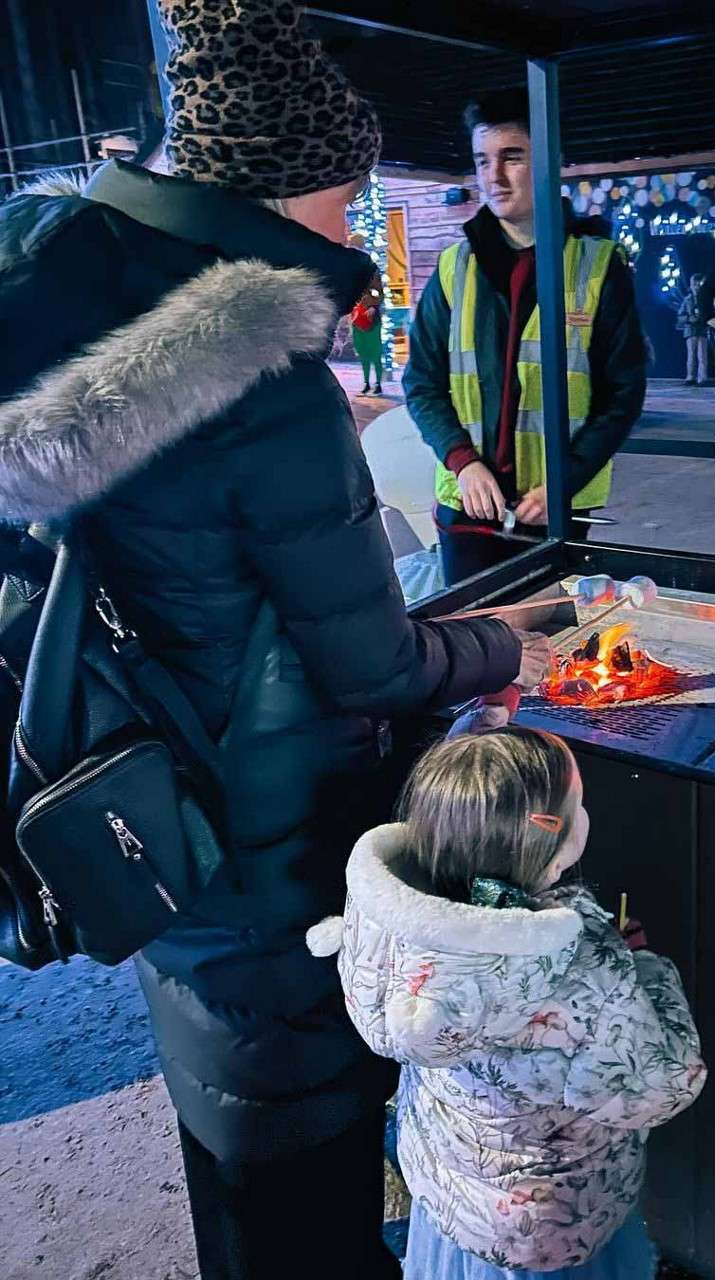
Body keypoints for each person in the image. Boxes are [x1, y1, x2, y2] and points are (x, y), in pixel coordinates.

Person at [0, 3, 551, 1277]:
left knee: (221, 1096)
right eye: (346, 199)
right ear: (280, 188)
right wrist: (502, 645)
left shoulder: (65, 315)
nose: (349, 228)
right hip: (272, 841)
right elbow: (374, 666)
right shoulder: (260, 377)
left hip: (135, 804)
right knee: (301, 1134)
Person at [310, 727, 707, 1280]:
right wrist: (645, 969)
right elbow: (663, 1087)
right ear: (555, 844)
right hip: (552, 1223)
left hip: (450, 1192)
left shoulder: (396, 929)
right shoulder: (582, 969)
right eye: (576, 805)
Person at [403, 89, 647, 587]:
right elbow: (421, 383)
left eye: (511, 157)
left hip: (552, 508)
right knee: (469, 630)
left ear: (548, 164)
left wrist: (564, 480)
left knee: (548, 630)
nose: (493, 176)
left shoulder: (598, 265)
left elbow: (623, 393)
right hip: (468, 505)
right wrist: (462, 463)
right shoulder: (454, 268)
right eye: (482, 160)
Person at [353, 272, 386, 395]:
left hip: (372, 322)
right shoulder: (353, 277)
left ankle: (378, 384)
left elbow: (380, 295)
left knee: (375, 353)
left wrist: (374, 307)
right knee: (363, 354)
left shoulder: (373, 275)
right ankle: (366, 383)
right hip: (357, 321)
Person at [676, 272, 709, 385]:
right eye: (694, 285)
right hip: (690, 330)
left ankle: (702, 378)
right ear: (691, 286)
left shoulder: (706, 299)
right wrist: (689, 318)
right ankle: (690, 377)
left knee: (702, 355)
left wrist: (704, 317)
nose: (697, 287)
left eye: (699, 285)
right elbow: (680, 315)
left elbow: (710, 312)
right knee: (691, 354)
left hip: (702, 329)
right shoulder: (687, 300)